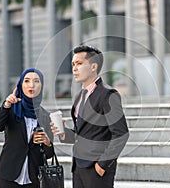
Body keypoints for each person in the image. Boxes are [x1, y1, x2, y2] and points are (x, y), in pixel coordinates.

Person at [51, 45, 129, 188]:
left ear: (93, 67)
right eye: (73, 64)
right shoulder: (79, 97)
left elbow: (121, 133)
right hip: (78, 167)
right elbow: (82, 134)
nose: (74, 68)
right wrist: (63, 133)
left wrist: (102, 165)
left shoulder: (108, 94)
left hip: (97, 170)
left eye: (79, 64)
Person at [0, 68, 54, 188]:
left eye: (36, 81)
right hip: (9, 174)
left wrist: (47, 143)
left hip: (34, 176)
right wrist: (6, 106)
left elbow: (49, 154)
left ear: (41, 86)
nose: (32, 85)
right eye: (27, 81)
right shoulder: (12, 109)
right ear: (20, 85)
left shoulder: (45, 116)